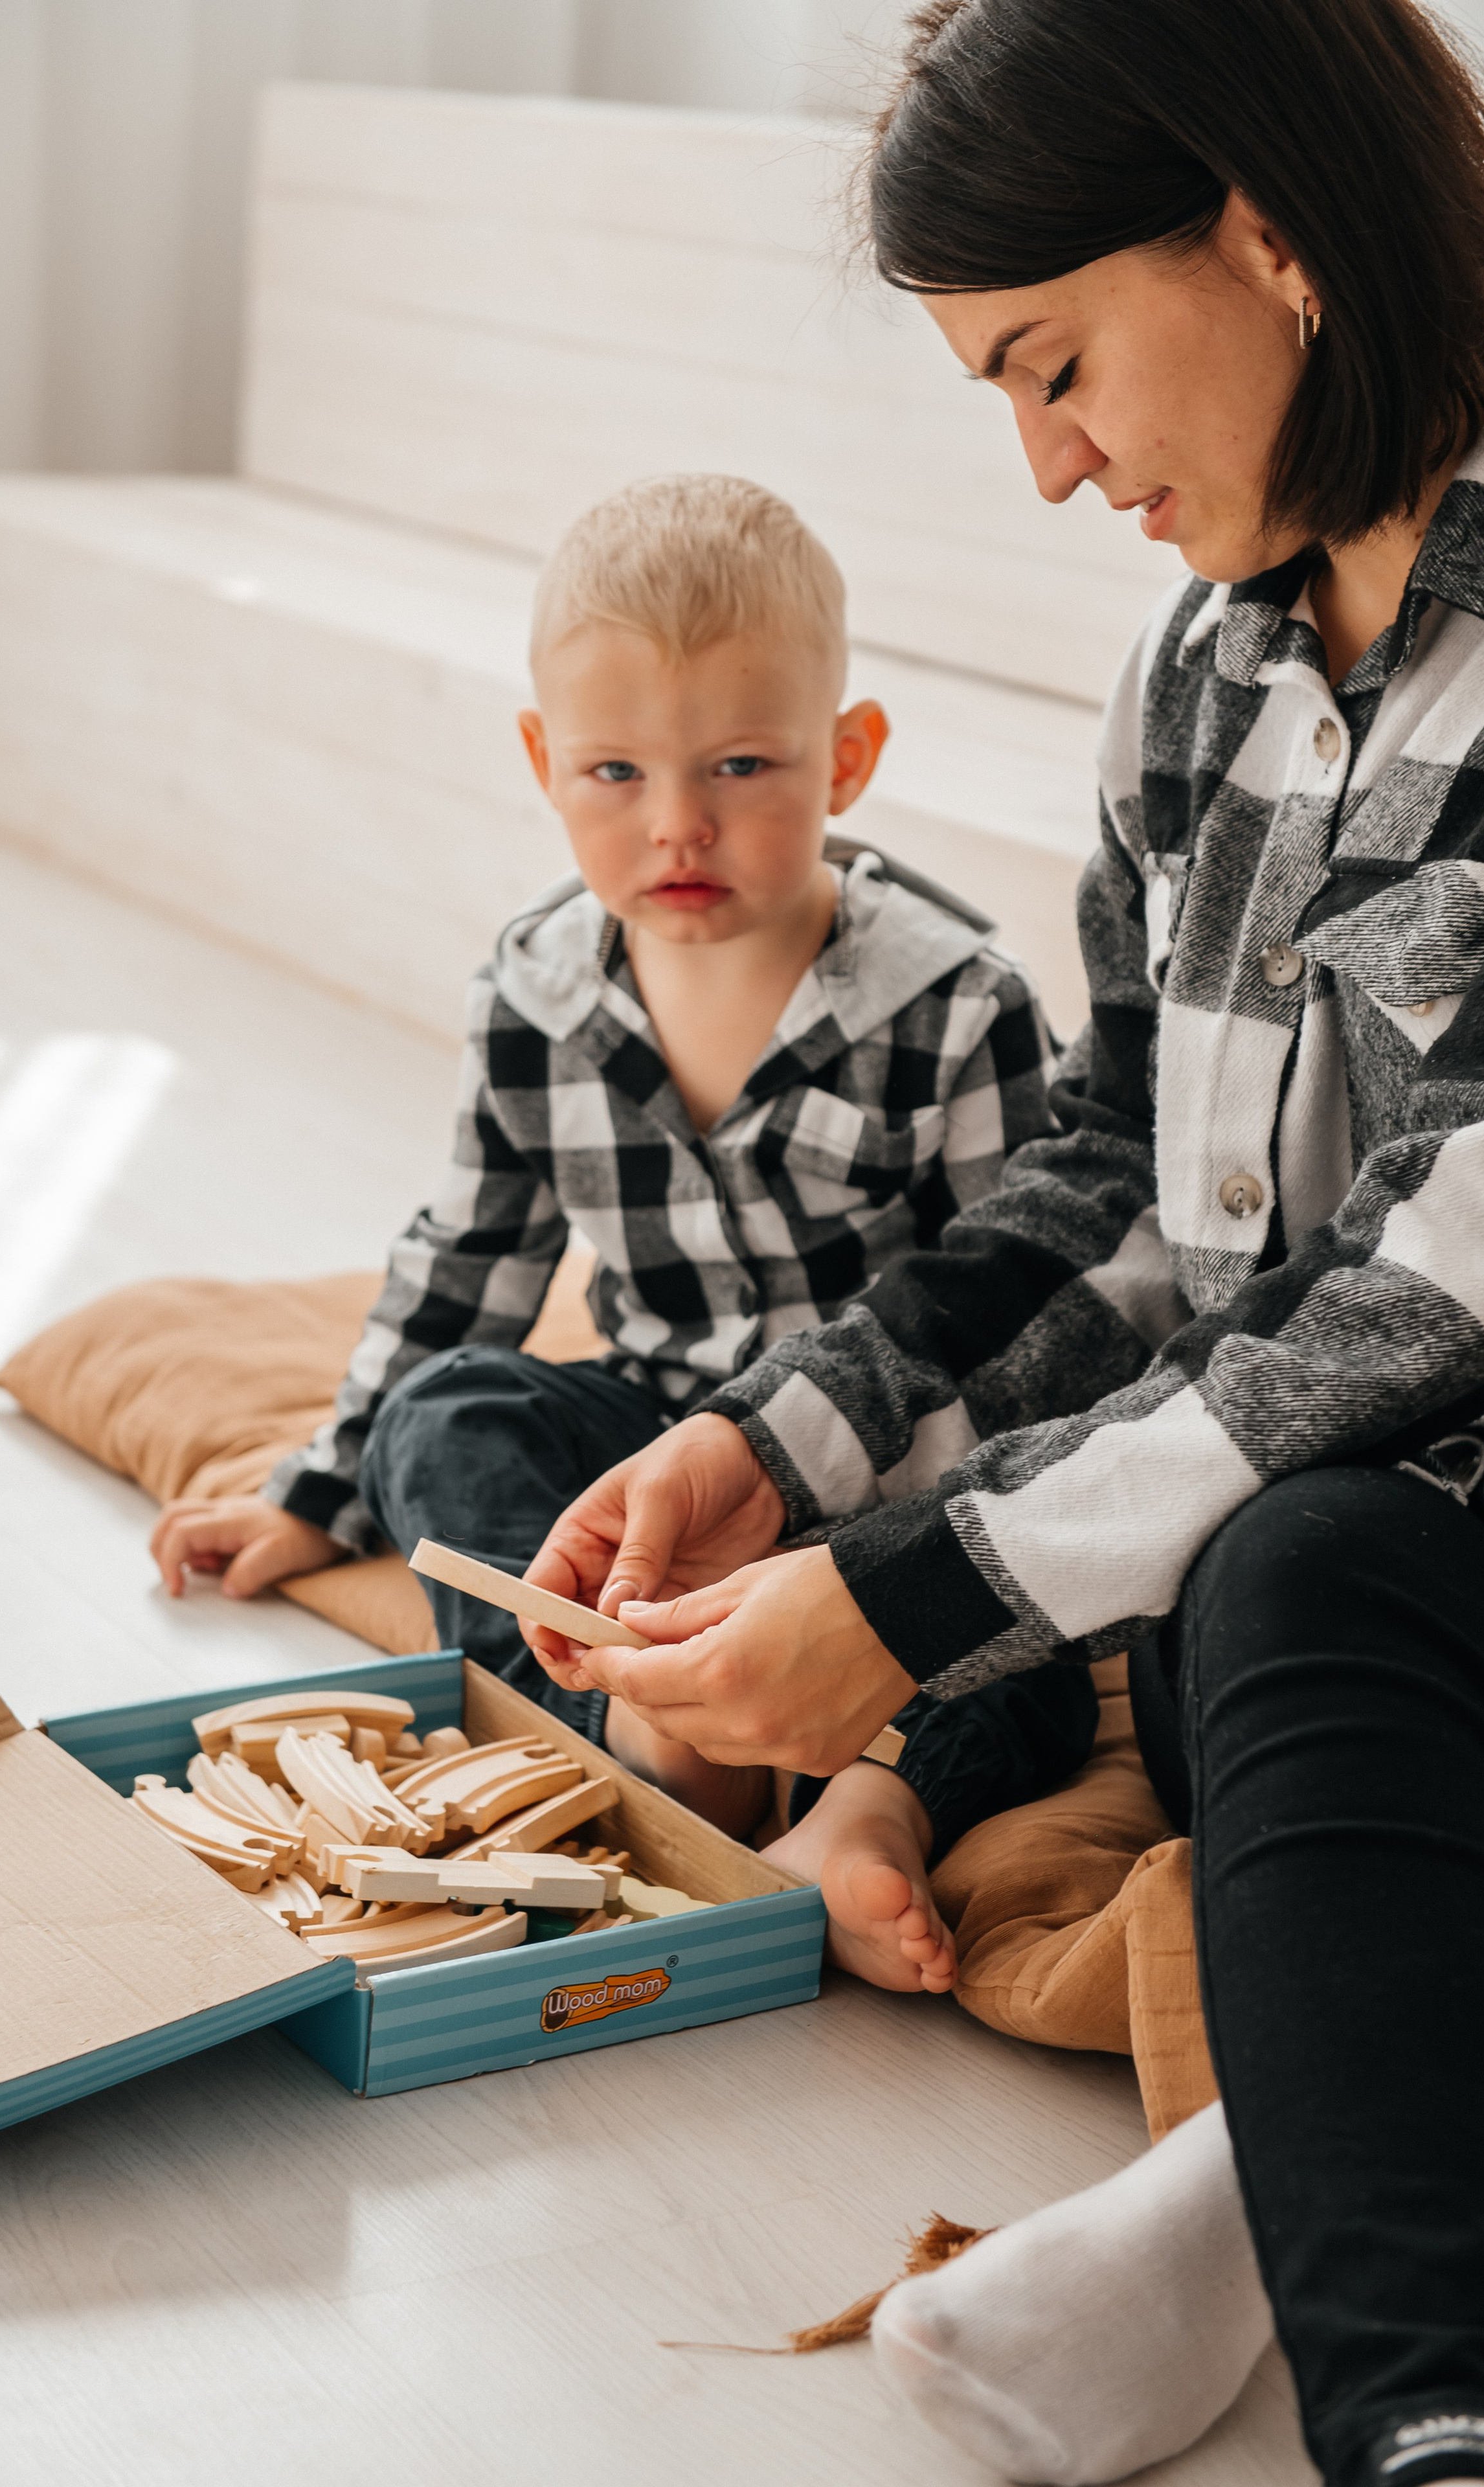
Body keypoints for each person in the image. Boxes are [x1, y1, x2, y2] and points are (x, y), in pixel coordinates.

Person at [519, 6, 1484, 2482]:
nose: (1052, 460)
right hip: (1399, 1622)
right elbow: (1131, 1166)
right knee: (1272, 1603)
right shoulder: (1210, 665)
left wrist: (908, 1596)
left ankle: (1367, 2328)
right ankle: (1384, 2279)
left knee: (1277, 1589)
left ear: (1264, 221)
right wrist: (786, 1447)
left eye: (1058, 363)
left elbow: (1471, 1253)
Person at [148, 470, 1098, 1992]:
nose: (676, 826)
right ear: (541, 761)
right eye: (613, 774)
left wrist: (879, 1548)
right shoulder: (535, 992)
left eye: (739, 765)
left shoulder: (956, 1006)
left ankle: (868, 1813)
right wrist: (317, 1497)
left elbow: (1030, 1337)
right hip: (656, 1452)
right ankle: (639, 1736)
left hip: (887, 1469)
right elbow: (468, 1265)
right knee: (440, 1418)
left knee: (1040, 1636)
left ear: (844, 759)